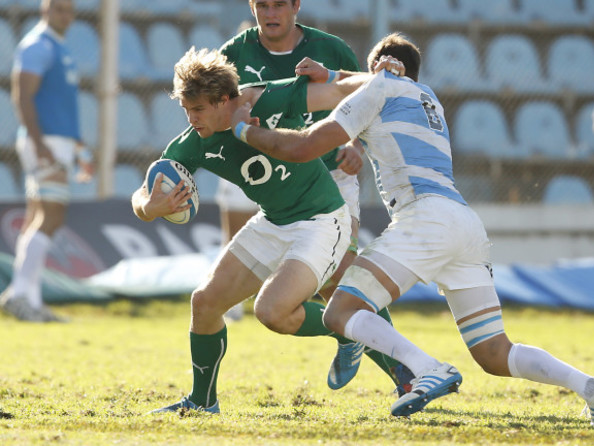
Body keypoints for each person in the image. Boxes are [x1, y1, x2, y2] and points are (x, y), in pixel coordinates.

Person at [230, 33, 594, 427]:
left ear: (379, 69)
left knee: (341, 311)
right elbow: (366, 80)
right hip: (464, 222)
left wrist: (245, 132)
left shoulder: (377, 89)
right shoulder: (427, 95)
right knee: (494, 352)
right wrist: (334, 73)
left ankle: (427, 369)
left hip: (425, 218)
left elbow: (306, 146)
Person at [133, 47, 408, 414]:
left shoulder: (265, 98)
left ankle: (366, 341)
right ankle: (202, 402)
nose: (191, 118)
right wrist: (149, 208)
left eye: (197, 109)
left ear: (224, 101)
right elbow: (148, 186)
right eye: (186, 109)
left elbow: (339, 91)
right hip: (274, 219)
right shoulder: (194, 140)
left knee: (275, 312)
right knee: (204, 303)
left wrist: (380, 79)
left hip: (322, 219)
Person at [216, 0, 414, 391]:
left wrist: (356, 145)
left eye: (278, 5)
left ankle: (405, 373)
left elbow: (363, 100)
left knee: (342, 279)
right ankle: (353, 339)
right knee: (326, 287)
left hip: (333, 177)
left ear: (296, 6)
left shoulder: (331, 49)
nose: (270, 13)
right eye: (262, 5)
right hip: (281, 183)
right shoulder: (234, 55)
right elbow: (220, 112)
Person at [0, 0, 92, 322]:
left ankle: (31, 299)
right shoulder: (38, 45)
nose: (65, 15)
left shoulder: (58, 47)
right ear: (45, 10)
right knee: (52, 217)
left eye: (69, 9)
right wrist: (39, 142)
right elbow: (21, 94)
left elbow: (63, 106)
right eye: (58, 8)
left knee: (37, 217)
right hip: (46, 142)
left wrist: (81, 150)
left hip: (59, 141)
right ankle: (18, 294)